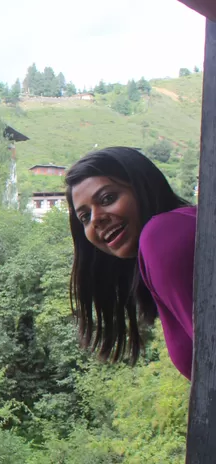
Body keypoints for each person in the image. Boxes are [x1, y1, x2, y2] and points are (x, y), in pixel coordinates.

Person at [66, 146, 196, 379]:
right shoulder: (183, 226)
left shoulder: (162, 236)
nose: (96, 219)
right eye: (85, 217)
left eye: (107, 198)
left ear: (142, 187)